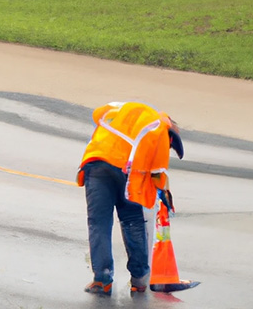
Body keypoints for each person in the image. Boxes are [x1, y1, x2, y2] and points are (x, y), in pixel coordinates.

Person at [77, 101, 184, 295]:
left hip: (95, 162)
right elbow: (158, 174)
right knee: (132, 221)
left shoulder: (122, 111)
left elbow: (97, 114)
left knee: (98, 223)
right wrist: (166, 197)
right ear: (170, 133)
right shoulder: (159, 128)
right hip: (126, 172)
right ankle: (140, 279)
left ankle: (102, 279)